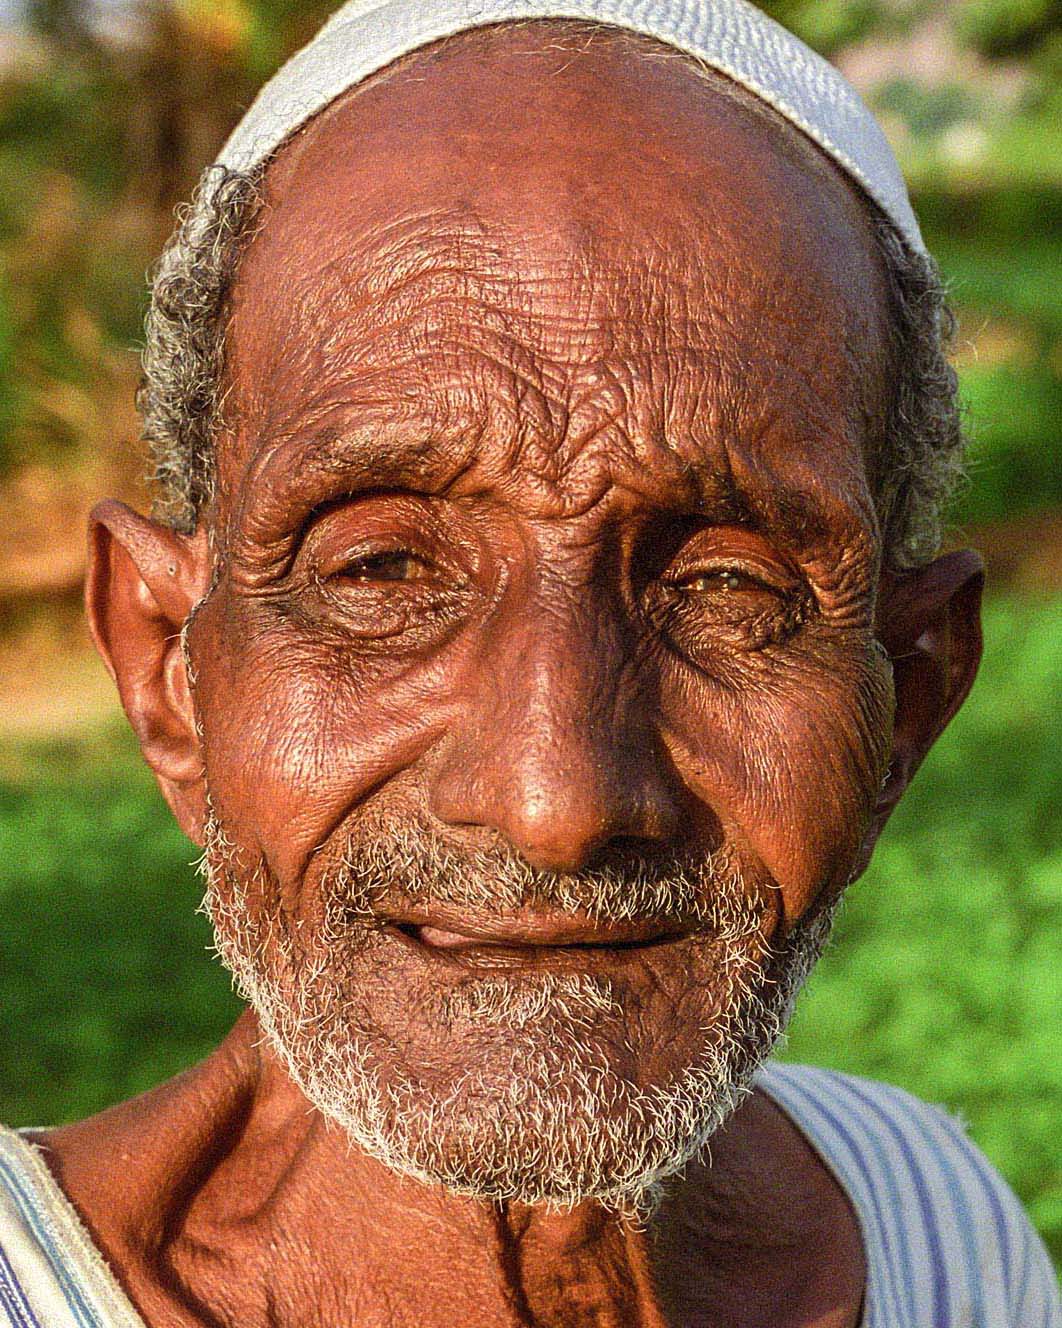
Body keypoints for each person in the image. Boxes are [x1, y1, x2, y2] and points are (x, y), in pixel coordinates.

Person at [0, 3, 1057, 1325]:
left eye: (724, 585)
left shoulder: (935, 1228)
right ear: (170, 668)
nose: (553, 801)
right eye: (380, 569)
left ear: (907, 693)